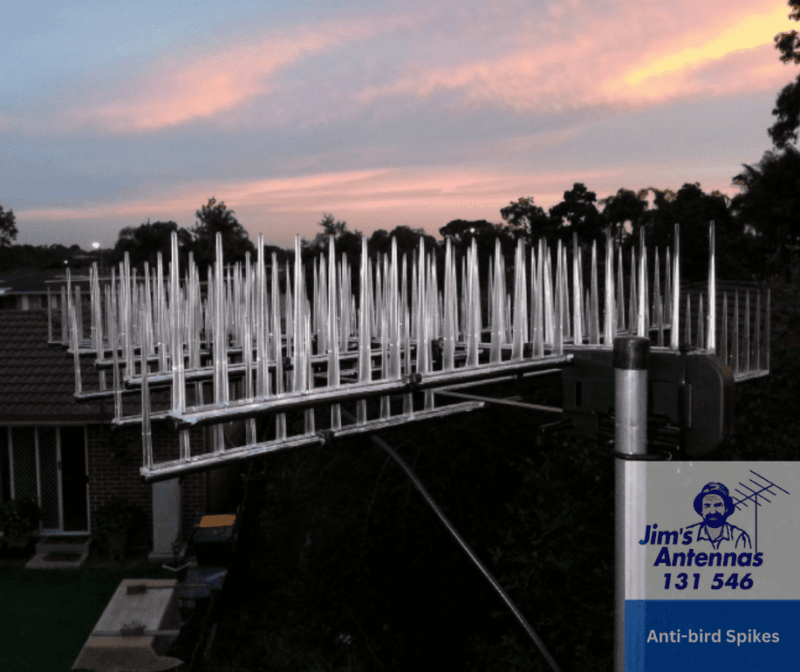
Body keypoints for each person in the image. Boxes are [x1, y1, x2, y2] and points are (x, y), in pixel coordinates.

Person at [686, 482, 751, 550]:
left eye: (717, 505)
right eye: (707, 506)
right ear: (701, 510)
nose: (712, 511)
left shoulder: (739, 537)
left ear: (726, 508)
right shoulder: (688, 535)